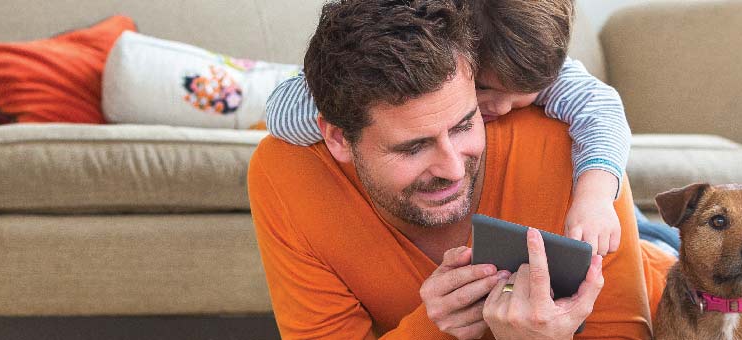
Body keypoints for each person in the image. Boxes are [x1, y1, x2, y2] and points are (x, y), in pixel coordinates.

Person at [248, 0, 667, 338]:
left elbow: (601, 111)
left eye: (467, 123)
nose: (451, 169)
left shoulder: (570, 137)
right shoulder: (289, 165)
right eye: (413, 147)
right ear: (337, 137)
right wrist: (432, 329)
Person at [264, 0, 631, 256]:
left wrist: (594, 198)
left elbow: (602, 110)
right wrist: (360, 90)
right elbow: (280, 116)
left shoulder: (526, 61)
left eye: (525, 94)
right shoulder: (435, 50)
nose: (502, 108)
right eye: (484, 90)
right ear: (454, 51)